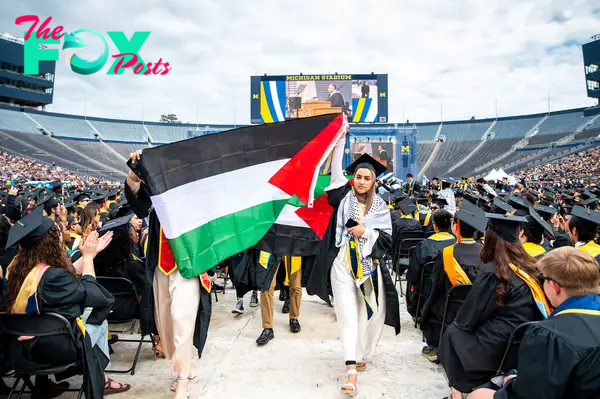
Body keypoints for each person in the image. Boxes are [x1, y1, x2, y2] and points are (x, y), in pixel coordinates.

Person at [307, 131, 400, 396]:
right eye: (358, 176)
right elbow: (336, 168)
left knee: (366, 315)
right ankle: (350, 371)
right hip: (341, 265)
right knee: (346, 317)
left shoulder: (380, 207)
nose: (361, 181)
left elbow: (385, 241)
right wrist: (340, 139)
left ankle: (360, 354)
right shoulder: (342, 196)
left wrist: (366, 232)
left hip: (368, 268)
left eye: (366, 178)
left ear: (374, 181)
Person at [4, 208, 130, 398]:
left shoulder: (16, 270)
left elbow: (66, 277)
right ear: (50, 242)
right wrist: (87, 258)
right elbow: (92, 294)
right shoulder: (53, 276)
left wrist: (90, 255)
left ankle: (44, 385)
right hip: (53, 349)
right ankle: (101, 379)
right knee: (99, 322)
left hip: (18, 349)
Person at [125, 150, 212, 398]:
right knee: (166, 325)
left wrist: (211, 265)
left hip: (188, 269)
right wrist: (136, 167)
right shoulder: (157, 196)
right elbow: (133, 189)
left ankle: (183, 378)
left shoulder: (198, 198)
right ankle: (183, 366)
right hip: (160, 267)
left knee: (181, 319)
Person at [438, 212, 550, 398]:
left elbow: (467, 319)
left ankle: (460, 389)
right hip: (523, 342)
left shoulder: (495, 271)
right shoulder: (528, 266)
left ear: (489, 237)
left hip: (497, 348)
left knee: (453, 332)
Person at [470, 247, 600, 399]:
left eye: (542, 278)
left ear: (554, 286)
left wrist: (513, 385)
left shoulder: (548, 336)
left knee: (478, 395)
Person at [419, 201, 486, 362]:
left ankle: (435, 346)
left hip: (449, 313)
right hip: (480, 310)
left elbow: (436, 287)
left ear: (456, 226)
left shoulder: (447, 253)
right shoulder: (486, 253)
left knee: (434, 300)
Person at [406, 210, 456, 318]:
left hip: (427, 288)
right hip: (452, 288)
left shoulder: (424, 245)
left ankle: (416, 312)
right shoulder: (456, 244)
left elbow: (414, 272)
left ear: (435, 227)